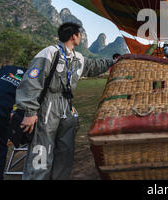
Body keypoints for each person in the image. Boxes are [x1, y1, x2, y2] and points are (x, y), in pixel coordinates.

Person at [16, 22, 115, 180]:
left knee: (65, 149)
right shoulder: (50, 52)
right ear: (74, 36)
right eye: (80, 34)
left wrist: (114, 61)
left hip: (67, 105)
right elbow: (32, 81)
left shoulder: (78, 58)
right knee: (42, 147)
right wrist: (30, 111)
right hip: (48, 104)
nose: (81, 37)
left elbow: (94, 66)